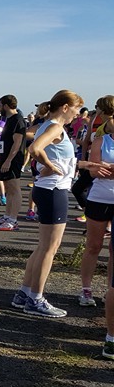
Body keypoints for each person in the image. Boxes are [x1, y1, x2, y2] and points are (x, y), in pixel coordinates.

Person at [10, 90, 87, 317]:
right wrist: (51, 167)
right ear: (65, 107)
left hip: (48, 189)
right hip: (54, 190)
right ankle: (35, 299)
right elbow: (34, 149)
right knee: (50, 248)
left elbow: (59, 157)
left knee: (44, 246)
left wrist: (85, 165)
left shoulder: (48, 125)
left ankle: (25, 292)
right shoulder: (55, 127)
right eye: (76, 109)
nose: (77, 114)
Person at [80, 96, 114, 308]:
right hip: (100, 198)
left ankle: (111, 291)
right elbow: (93, 171)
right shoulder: (102, 140)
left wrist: (107, 167)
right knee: (94, 246)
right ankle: (86, 288)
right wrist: (99, 168)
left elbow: (102, 168)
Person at [0, 95, 27, 231]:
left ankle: (13, 219)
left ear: (6, 105)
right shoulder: (8, 119)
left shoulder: (18, 120)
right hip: (4, 157)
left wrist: (8, 160)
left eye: (0, 105)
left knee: (14, 188)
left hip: (12, 159)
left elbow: (17, 142)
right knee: (8, 188)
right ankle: (7, 216)